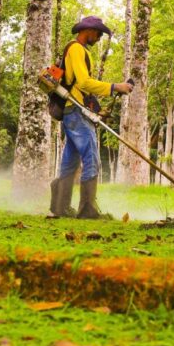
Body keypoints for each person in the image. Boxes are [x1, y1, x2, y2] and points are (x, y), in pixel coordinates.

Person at [50, 16, 134, 219]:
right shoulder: (77, 49)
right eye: (98, 33)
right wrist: (114, 87)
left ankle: (60, 207)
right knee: (91, 159)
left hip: (74, 110)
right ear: (87, 30)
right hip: (75, 112)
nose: (98, 38)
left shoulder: (79, 51)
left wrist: (97, 109)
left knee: (70, 161)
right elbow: (85, 83)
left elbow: (80, 89)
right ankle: (87, 209)